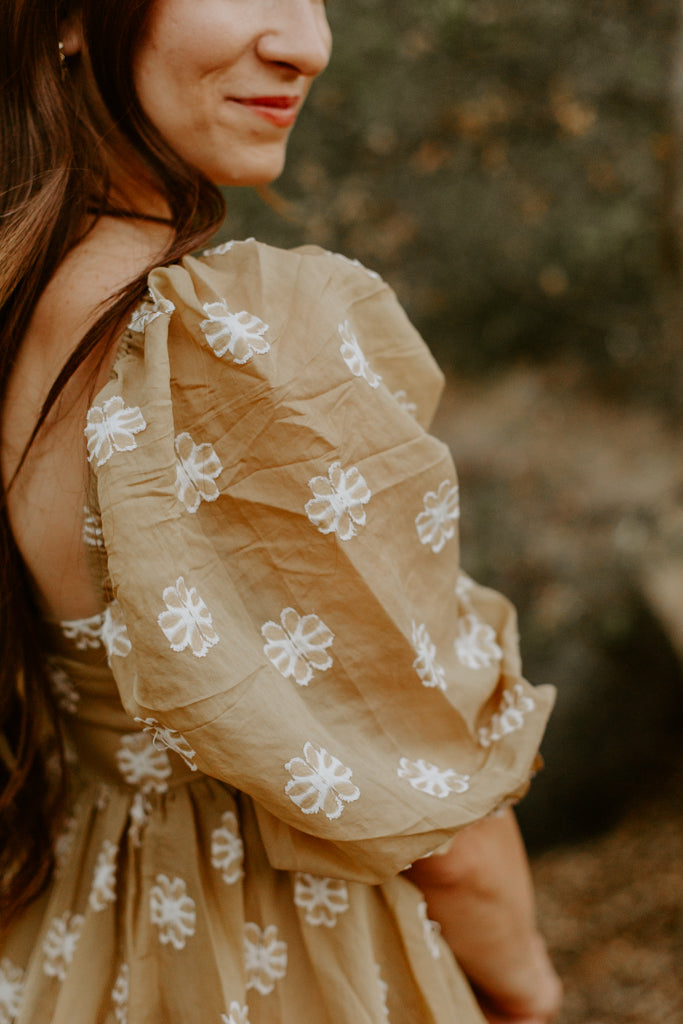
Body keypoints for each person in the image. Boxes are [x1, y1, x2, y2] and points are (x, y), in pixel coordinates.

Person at [0, 1, 563, 1022]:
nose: (307, 42)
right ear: (73, 16)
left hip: (75, 950)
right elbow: (443, 826)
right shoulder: (218, 346)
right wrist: (526, 986)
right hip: (290, 962)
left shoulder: (22, 300)